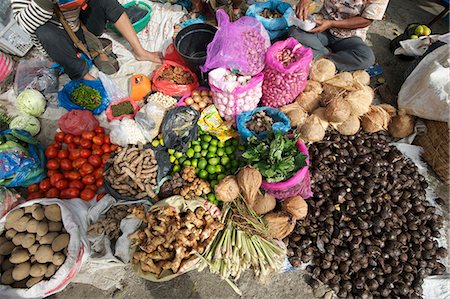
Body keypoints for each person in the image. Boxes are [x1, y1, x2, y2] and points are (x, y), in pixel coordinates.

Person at [11, 0, 163, 81]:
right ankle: (82, 74)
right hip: (60, 42)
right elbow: (27, 25)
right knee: (43, 32)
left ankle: (140, 51)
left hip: (82, 27)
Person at [289, 0, 389, 71]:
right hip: (321, 25)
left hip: (350, 36)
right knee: (294, 31)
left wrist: (331, 23)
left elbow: (366, 20)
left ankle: (324, 57)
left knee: (367, 58)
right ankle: (325, 55)